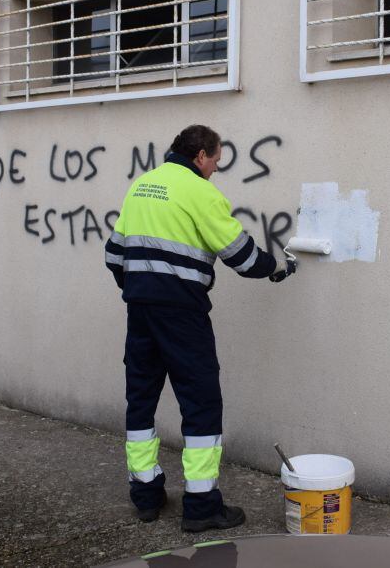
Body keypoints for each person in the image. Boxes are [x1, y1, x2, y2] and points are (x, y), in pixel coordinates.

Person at [104, 124, 296, 532]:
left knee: (140, 400)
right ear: (201, 157)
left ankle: (146, 495)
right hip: (182, 315)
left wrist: (142, 291)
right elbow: (239, 254)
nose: (215, 171)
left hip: (139, 312)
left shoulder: (143, 185)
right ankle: (202, 505)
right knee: (201, 403)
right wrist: (276, 268)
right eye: (216, 163)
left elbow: (114, 255)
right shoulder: (200, 192)